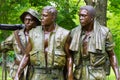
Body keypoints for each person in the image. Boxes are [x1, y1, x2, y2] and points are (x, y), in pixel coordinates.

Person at [14, 6, 73, 80]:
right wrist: (17, 75)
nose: (41, 18)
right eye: (41, 15)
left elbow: (69, 57)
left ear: (53, 17)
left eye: (44, 15)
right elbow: (27, 56)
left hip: (56, 76)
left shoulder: (64, 34)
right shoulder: (33, 33)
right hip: (37, 75)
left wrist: (70, 76)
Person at [65, 5, 120, 80]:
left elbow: (112, 55)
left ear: (92, 17)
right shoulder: (73, 33)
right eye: (80, 16)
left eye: (84, 16)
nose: (81, 18)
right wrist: (70, 75)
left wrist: (118, 75)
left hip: (97, 75)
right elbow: (69, 56)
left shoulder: (105, 33)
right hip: (78, 75)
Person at [0, 8, 41, 80]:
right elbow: (2, 47)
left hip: (36, 73)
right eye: (26, 19)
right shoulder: (16, 35)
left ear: (36, 22)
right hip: (18, 72)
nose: (27, 22)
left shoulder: (42, 36)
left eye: (31, 20)